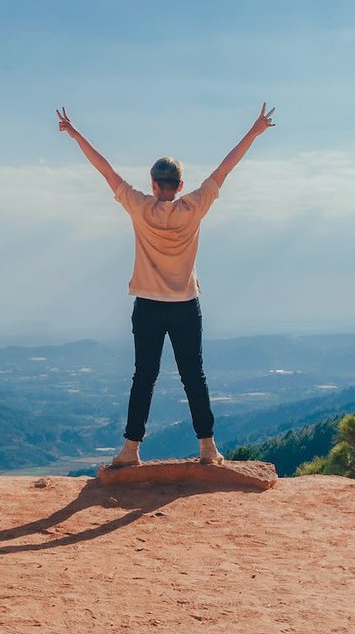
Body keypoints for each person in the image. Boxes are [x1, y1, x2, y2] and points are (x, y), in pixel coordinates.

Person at [57, 103, 275, 467]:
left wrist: (76, 134)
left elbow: (105, 170)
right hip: (186, 304)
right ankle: (208, 448)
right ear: (181, 186)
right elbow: (226, 167)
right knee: (194, 376)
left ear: (154, 184)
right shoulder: (195, 206)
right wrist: (254, 131)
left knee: (144, 376)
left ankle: (130, 449)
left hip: (148, 305)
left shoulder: (139, 207)